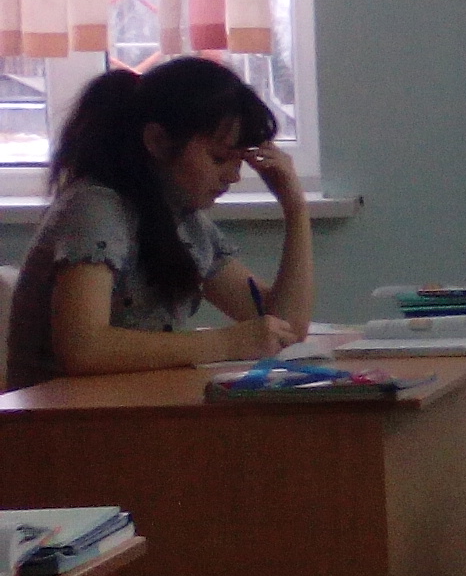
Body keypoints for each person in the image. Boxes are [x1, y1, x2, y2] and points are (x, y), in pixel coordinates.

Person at [5, 59, 311, 392]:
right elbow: (83, 347)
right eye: (219, 158)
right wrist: (228, 342)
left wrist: (295, 207)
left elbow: (285, 327)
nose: (234, 176)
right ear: (158, 141)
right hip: (62, 415)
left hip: (129, 408)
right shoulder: (95, 207)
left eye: (239, 161)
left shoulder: (185, 222)